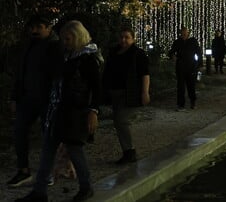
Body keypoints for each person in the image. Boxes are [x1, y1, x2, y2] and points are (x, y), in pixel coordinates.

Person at [16, 20, 102, 202]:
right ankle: (40, 192)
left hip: (74, 113)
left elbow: (97, 87)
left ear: (77, 37)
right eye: (63, 38)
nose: (65, 41)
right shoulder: (66, 56)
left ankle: (86, 187)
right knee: (48, 150)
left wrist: (93, 111)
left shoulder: (87, 59)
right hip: (58, 110)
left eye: (68, 38)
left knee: (74, 151)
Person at [7, 14, 61, 188]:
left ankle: (47, 172)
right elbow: (20, 73)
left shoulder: (55, 47)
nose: (34, 30)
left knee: (48, 136)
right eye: (32, 27)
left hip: (47, 99)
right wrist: (15, 96)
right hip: (27, 97)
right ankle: (23, 170)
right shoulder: (29, 46)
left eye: (39, 27)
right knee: (20, 131)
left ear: (48, 27)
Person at [102, 27, 150, 164]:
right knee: (118, 121)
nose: (123, 40)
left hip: (129, 92)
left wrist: (145, 92)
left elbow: (144, 74)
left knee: (120, 120)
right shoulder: (114, 52)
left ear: (133, 39)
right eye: (121, 37)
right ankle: (128, 151)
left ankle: (129, 151)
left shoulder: (138, 54)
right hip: (114, 91)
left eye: (127, 37)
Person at [168, 26, 201, 110]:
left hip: (191, 66)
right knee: (180, 87)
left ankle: (193, 102)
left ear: (188, 33)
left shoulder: (193, 41)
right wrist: (172, 56)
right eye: (182, 33)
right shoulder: (177, 42)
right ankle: (181, 105)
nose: (184, 35)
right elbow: (171, 51)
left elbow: (198, 52)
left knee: (191, 85)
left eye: (185, 33)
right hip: (181, 67)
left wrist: (199, 65)